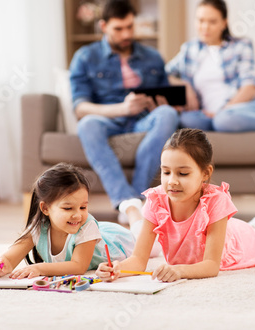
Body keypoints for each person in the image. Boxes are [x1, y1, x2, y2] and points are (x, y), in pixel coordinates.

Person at [96, 128, 255, 283]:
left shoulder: (215, 201)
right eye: (166, 172)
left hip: (238, 243)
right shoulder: (156, 201)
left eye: (183, 173)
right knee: (245, 228)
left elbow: (211, 265)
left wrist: (180, 271)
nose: (172, 181)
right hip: (225, 231)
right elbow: (138, 259)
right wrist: (117, 268)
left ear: (205, 173)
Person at [70, 0, 179, 228]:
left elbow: (165, 97)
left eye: (130, 27)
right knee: (87, 124)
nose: (126, 34)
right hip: (107, 118)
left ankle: (137, 198)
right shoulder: (85, 57)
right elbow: (80, 107)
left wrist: (160, 103)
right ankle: (125, 201)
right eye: (118, 29)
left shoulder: (152, 57)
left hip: (142, 119)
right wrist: (122, 109)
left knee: (168, 114)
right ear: (103, 26)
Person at [166, 0, 255, 132]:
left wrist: (222, 111)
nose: (205, 27)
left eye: (212, 22)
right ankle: (218, 123)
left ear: (224, 23)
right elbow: (165, 73)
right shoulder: (190, 49)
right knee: (188, 120)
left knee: (224, 120)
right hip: (207, 115)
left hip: (243, 107)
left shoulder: (241, 45)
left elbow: (250, 88)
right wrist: (185, 85)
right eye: (200, 20)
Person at [0, 163, 135, 279]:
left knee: (144, 235)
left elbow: (78, 267)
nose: (78, 215)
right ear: (45, 208)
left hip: (119, 240)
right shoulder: (38, 228)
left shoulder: (87, 225)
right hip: (99, 232)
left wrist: (39, 268)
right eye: (68, 208)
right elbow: (10, 258)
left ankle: (133, 210)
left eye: (83, 207)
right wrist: (2, 264)